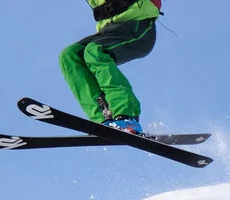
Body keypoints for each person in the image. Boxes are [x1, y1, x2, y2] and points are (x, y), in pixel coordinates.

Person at [61, 0, 162, 134]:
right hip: (110, 29)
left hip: (138, 23)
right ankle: (105, 118)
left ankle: (127, 115)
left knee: (95, 51)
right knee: (70, 56)